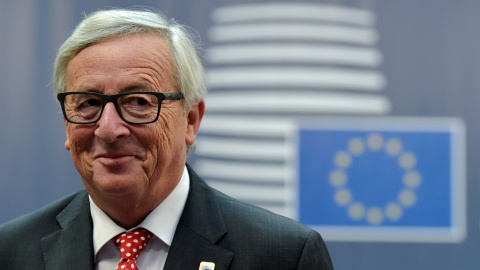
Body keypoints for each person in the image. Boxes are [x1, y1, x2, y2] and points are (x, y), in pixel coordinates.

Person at [0, 8, 333, 270]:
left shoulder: (283, 257)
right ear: (66, 126)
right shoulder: (11, 252)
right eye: (88, 104)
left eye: (138, 102)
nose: (108, 129)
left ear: (190, 120)